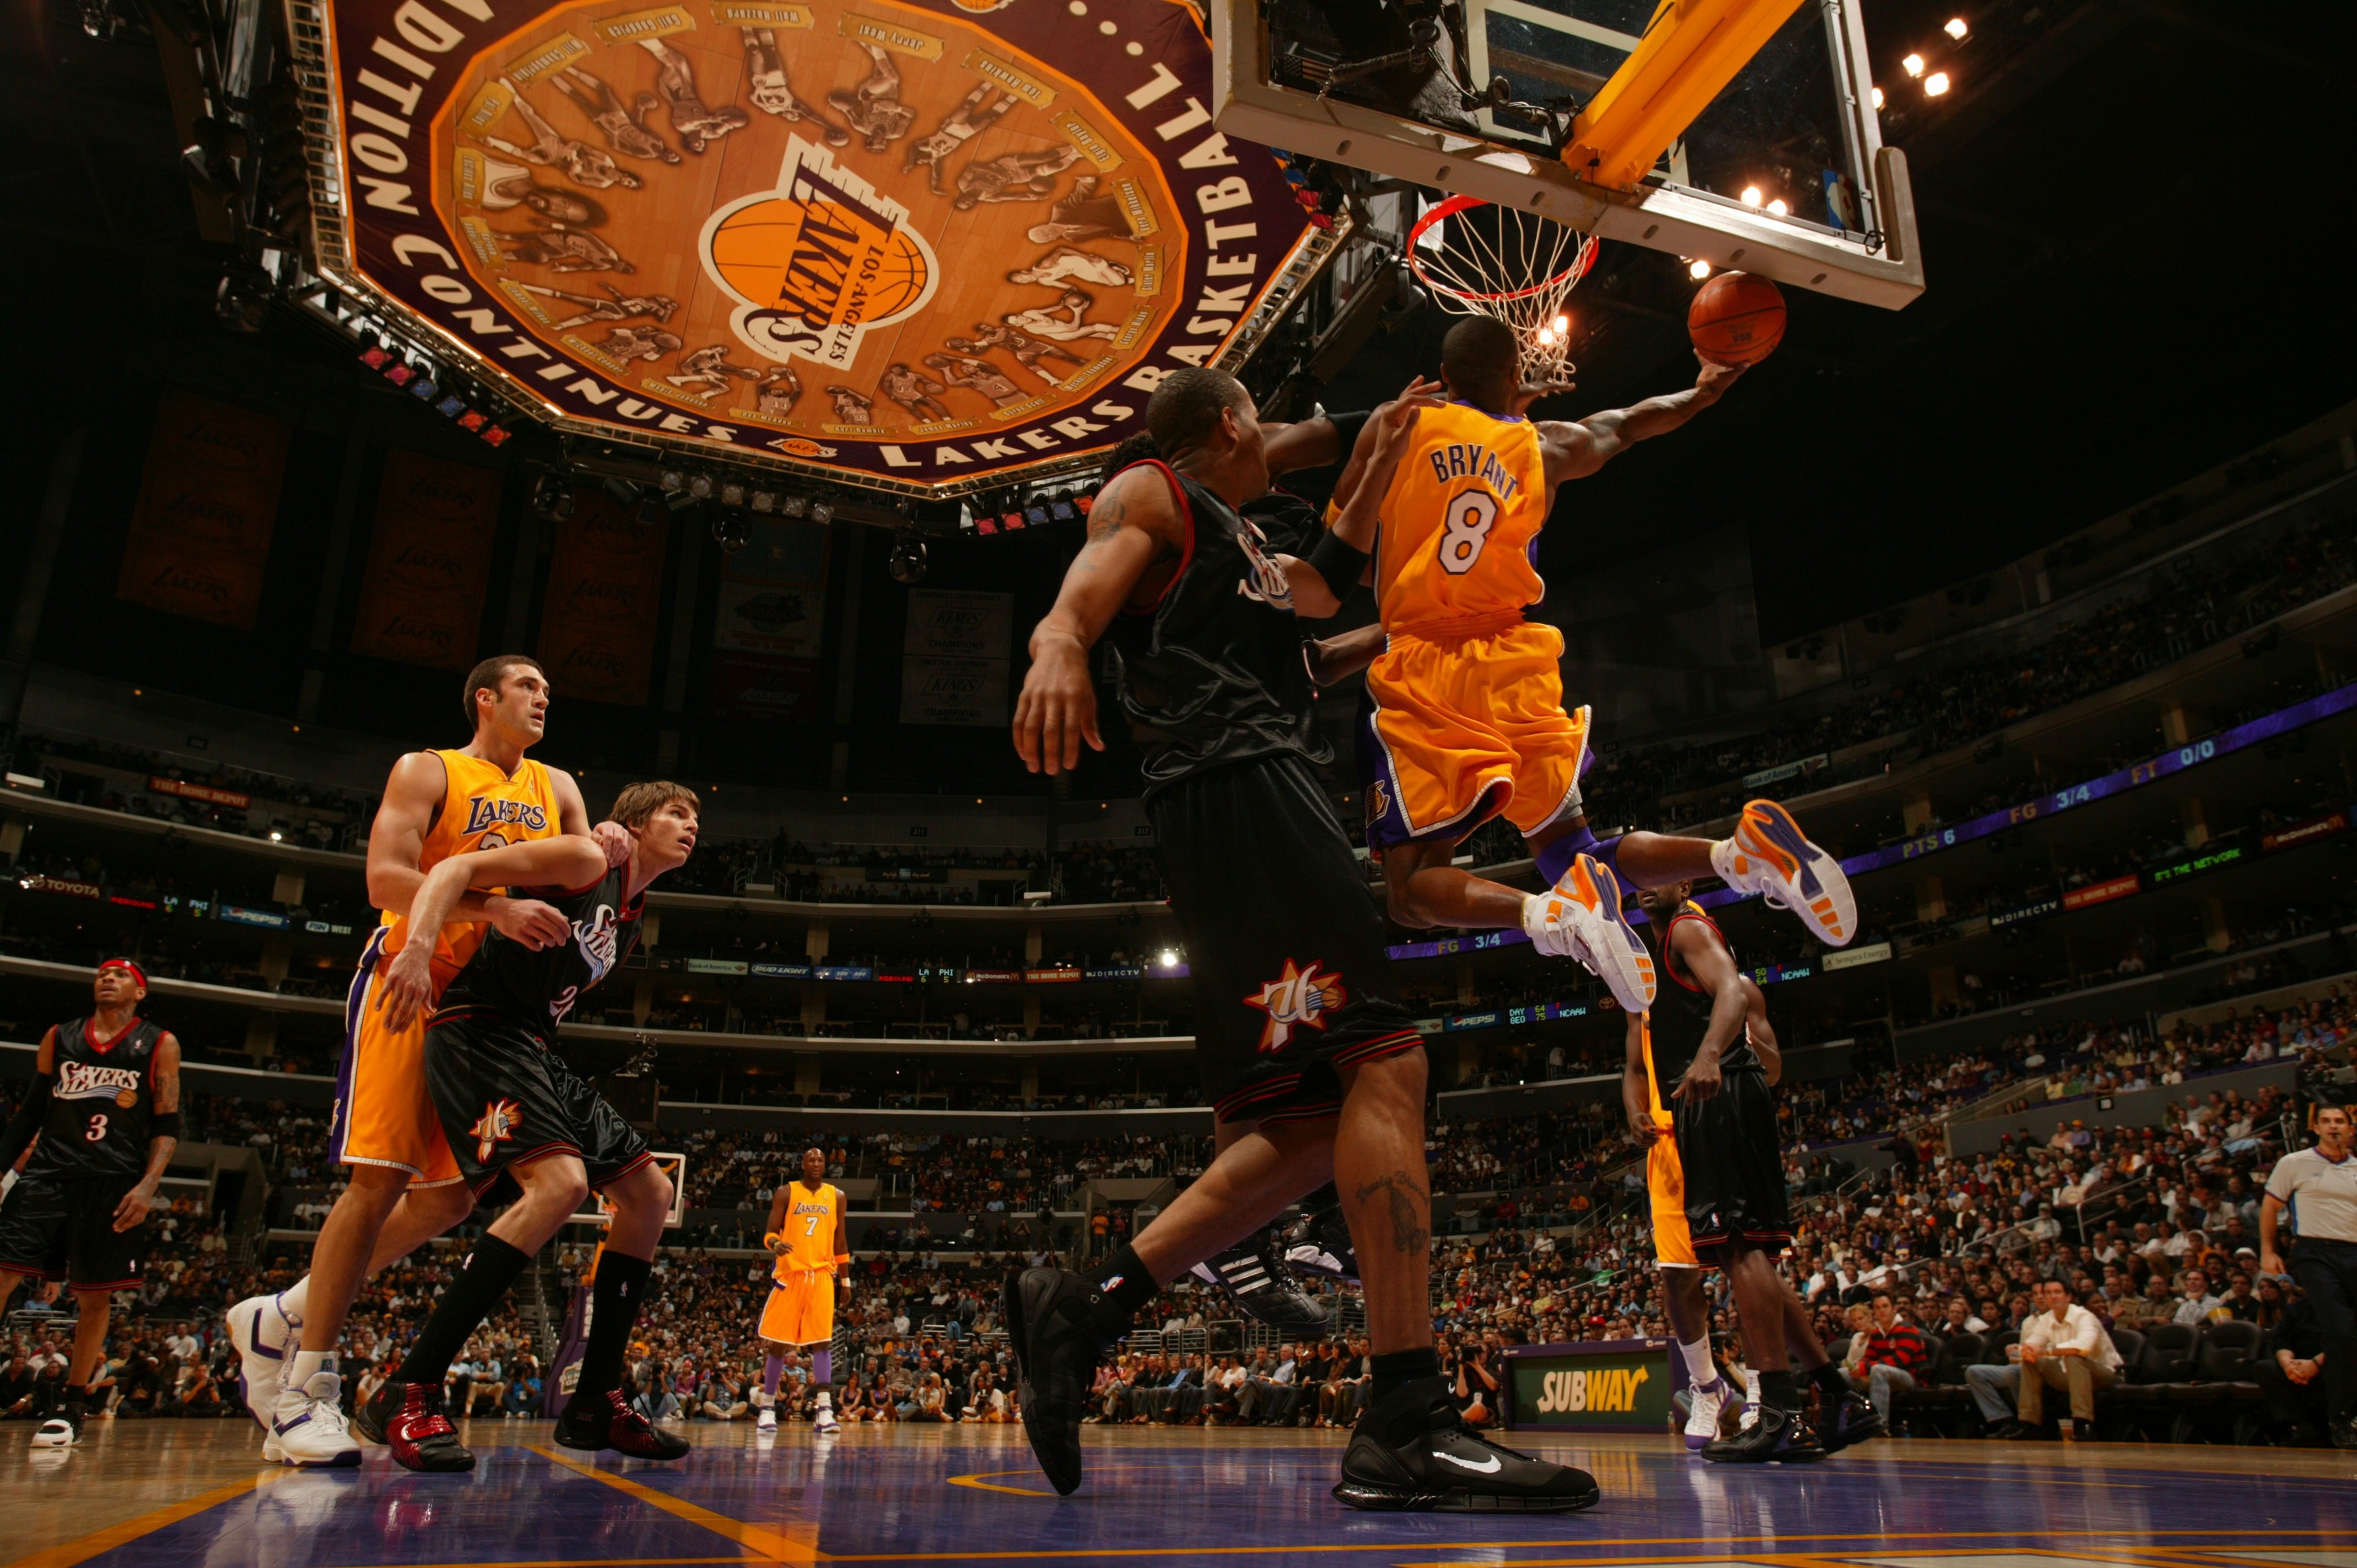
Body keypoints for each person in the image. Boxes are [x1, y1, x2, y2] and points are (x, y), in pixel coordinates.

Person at [1003, 366, 1595, 1513]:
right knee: (1388, 1053)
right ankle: (1408, 1412)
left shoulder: (1240, 554)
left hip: (1232, 800)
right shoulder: (1157, 490)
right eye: (1263, 430)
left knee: (1310, 1123)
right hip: (1244, 787)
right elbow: (1090, 577)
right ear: (1233, 428)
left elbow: (1297, 654)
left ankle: (1087, 1303)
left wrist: (1417, 625)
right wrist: (1057, 640)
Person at [1334, 317, 1854, 1014]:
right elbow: (1633, 423)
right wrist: (1704, 392)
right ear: (1514, 379)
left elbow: (1349, 549)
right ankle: (1737, 853)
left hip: (1430, 663)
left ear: (1444, 375)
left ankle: (1552, 917)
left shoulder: (1397, 429)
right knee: (1570, 848)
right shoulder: (1545, 446)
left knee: (1408, 892)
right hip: (1517, 657)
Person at [229, 655, 625, 1467]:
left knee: (450, 1200)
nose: (544, 698)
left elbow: (583, 878)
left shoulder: (560, 789)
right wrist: (494, 912)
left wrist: (611, 847)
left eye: (550, 690)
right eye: (528, 687)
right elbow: (384, 875)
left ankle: (281, 1315)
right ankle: (307, 1389)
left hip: (488, 1011)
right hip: (413, 977)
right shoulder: (429, 770)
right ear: (485, 699)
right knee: (377, 1180)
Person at [350, 781, 699, 1471]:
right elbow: (451, 870)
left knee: (650, 1196)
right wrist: (418, 948)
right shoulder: (587, 859)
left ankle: (595, 1399)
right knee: (558, 1186)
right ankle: (408, 1388)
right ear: (633, 821)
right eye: (677, 813)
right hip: (477, 1030)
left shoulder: (633, 908)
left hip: (532, 1046)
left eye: (696, 818)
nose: (692, 826)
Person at [1625, 886, 1877, 1460]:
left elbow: (1739, 1004)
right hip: (1715, 1104)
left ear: (1685, 885)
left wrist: (1712, 1051)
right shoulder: (1657, 965)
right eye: (1635, 873)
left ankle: (1781, 1411)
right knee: (1749, 1253)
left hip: (1719, 1098)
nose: (1645, 882)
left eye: (1659, 872)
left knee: (1738, 1247)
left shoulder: (1687, 931)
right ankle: (1834, 1396)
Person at [0, 961, 182, 1448]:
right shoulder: (60, 1036)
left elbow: (166, 1123)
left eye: (120, 975)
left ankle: (73, 1402)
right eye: (102, 972)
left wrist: (147, 1186)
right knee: (3, 1271)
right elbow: (31, 1111)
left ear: (139, 991)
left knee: (95, 1294)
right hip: (48, 1172)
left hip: (112, 1180)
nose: (107, 978)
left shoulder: (158, 1043)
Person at [2261, 1101, 2357, 1447]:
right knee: (2342, 1331)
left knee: (2348, 1335)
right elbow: (2270, 1207)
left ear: (2350, 1128)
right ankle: (2343, 1417)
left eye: (2340, 1121)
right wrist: (2268, 1250)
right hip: (2316, 1252)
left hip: (2355, 1251)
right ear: (2315, 1128)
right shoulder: (2294, 1163)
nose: (2334, 1126)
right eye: (2327, 1121)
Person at [757, 1147, 848, 1435]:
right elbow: (770, 1232)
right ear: (803, 1164)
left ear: (826, 1164)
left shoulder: (837, 1196)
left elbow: (841, 1241)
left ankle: (824, 1410)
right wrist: (774, 1245)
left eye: (821, 1159)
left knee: (822, 1342)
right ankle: (767, 1407)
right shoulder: (786, 1192)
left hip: (822, 1275)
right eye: (811, 1159)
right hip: (792, 1274)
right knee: (778, 1345)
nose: (817, 1163)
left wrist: (846, 1282)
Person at [1966, 1278, 2121, 1439]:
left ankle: (2083, 1424)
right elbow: (2033, 1344)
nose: (2053, 1297)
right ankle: (2031, 1424)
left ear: (2068, 1297)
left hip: (2105, 1373)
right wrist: (2019, 1350)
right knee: (2032, 1359)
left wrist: (2045, 1351)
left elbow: (2083, 1347)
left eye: (2057, 1292)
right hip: (2068, 1373)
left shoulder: (2084, 1316)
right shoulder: (2046, 1319)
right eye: (2048, 1293)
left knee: (2073, 1356)